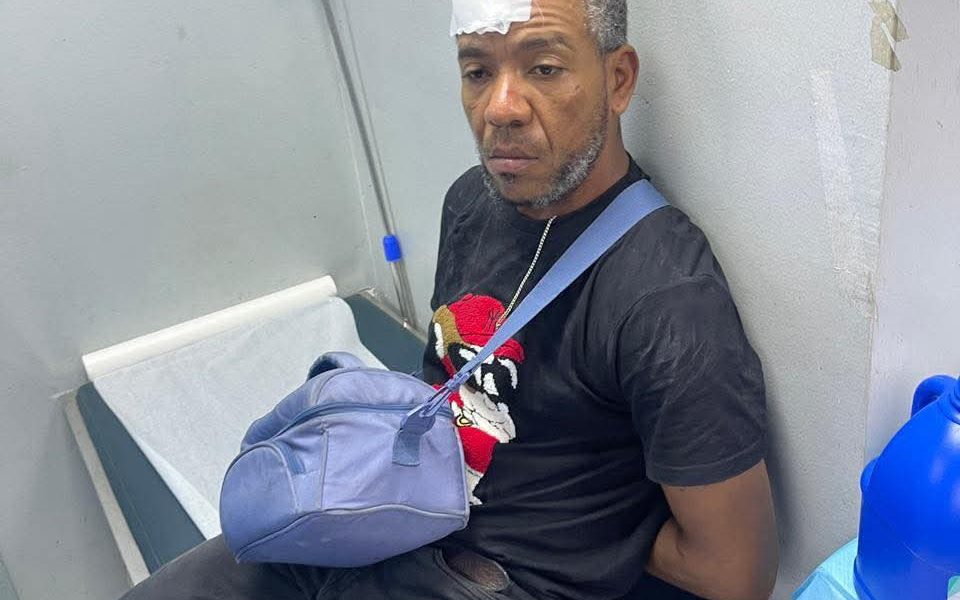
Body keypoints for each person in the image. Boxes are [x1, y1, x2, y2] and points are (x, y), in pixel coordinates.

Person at [120, 0, 778, 599]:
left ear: (618, 79)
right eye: (477, 72)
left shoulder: (665, 299)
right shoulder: (471, 203)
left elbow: (733, 574)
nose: (501, 108)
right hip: (392, 521)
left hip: (496, 578)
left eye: (544, 68)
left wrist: (592, 532)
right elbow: (445, 378)